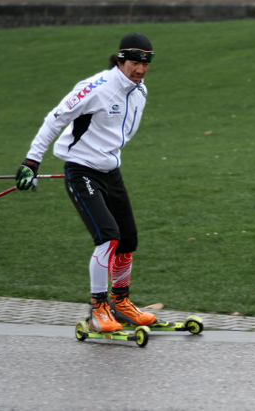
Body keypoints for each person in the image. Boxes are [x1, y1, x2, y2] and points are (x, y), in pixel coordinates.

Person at [16, 33, 158, 333]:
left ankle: (121, 303)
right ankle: (98, 309)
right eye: (134, 63)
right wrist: (31, 161)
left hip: (110, 171)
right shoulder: (98, 87)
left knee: (128, 240)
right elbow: (56, 118)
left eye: (145, 64)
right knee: (108, 237)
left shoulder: (140, 90)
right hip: (82, 170)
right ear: (120, 60)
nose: (140, 70)